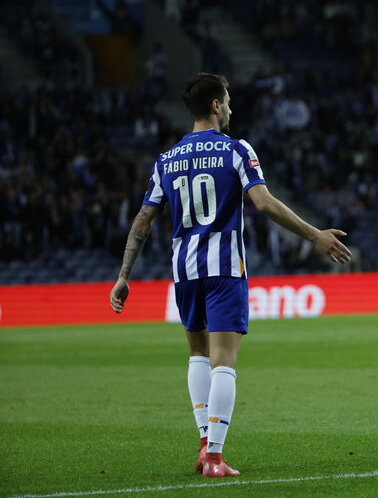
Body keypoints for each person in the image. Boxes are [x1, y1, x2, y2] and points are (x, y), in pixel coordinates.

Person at [108, 73, 352, 477]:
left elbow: (142, 220)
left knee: (198, 355)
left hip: (184, 271)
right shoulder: (236, 150)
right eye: (229, 100)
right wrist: (315, 235)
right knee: (224, 362)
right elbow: (264, 203)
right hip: (224, 269)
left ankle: (205, 445)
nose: (232, 107)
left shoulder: (166, 160)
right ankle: (216, 457)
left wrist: (123, 274)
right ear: (216, 105)